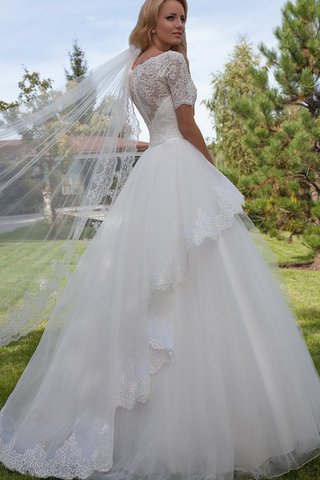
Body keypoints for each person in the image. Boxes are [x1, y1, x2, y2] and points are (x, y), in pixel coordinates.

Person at [0, 1, 320, 479]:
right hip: (179, 167)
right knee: (198, 275)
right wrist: (215, 172)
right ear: (152, 20)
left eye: (183, 19)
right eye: (171, 17)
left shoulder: (134, 69)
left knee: (160, 278)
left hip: (151, 174)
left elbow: (158, 124)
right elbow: (187, 126)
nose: (179, 26)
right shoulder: (173, 62)